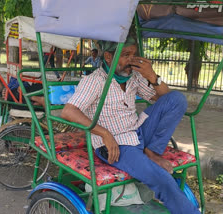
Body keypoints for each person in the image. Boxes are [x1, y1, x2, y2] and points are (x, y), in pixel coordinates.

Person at [61, 36, 200, 214]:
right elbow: (69, 111)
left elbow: (163, 98)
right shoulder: (95, 81)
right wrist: (105, 134)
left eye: (134, 54)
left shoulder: (134, 77)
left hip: (138, 132)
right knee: (162, 179)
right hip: (117, 145)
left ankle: (151, 152)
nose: (131, 60)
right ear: (109, 57)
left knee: (177, 99)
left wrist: (152, 76)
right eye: (126, 54)